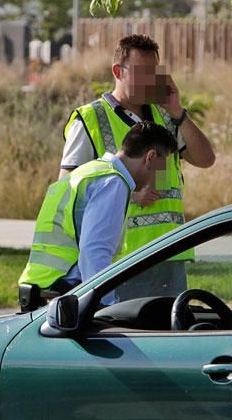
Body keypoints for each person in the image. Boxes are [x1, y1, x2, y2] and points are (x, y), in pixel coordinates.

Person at [58, 34, 216, 297]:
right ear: (117, 71)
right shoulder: (90, 119)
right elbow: (68, 190)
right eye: (141, 72)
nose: (149, 81)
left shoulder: (166, 117)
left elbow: (206, 159)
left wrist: (178, 112)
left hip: (170, 254)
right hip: (122, 261)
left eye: (154, 73)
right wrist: (128, 195)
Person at [18, 121, 178, 312]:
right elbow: (94, 250)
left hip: (42, 290)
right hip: (64, 296)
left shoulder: (88, 172)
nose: (162, 174)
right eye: (164, 165)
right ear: (150, 157)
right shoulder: (113, 182)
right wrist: (105, 306)